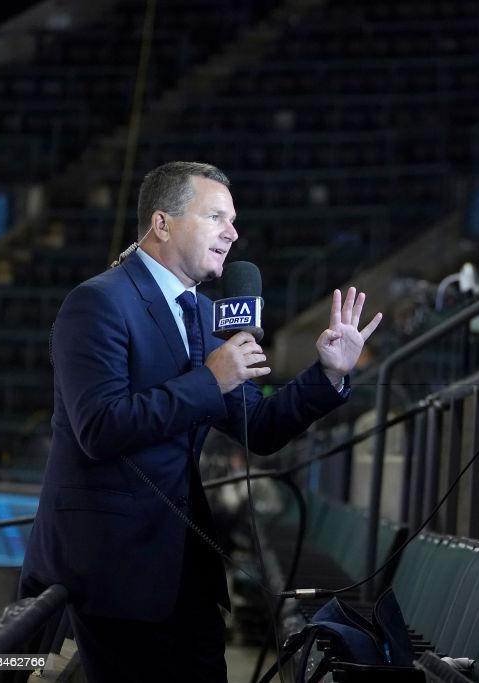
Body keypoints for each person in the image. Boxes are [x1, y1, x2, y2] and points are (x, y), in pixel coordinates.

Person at [19, 161, 382, 682]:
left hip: (184, 573)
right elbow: (99, 427)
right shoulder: (97, 302)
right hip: (111, 573)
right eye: (216, 217)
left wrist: (327, 373)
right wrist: (210, 381)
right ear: (162, 223)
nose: (233, 233)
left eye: (233, 220)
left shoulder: (198, 317)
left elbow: (261, 427)